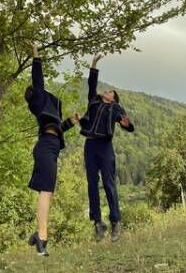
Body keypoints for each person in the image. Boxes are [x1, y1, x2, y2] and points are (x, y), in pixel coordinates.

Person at [25, 43, 80, 256]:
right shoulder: (38, 100)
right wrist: (35, 54)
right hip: (46, 147)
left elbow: (58, 128)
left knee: (48, 193)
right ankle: (42, 239)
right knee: (46, 192)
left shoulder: (48, 111)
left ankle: (37, 234)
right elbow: (38, 79)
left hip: (52, 146)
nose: (39, 90)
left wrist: (71, 121)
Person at [79, 54, 134, 242]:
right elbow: (91, 83)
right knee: (92, 185)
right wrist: (93, 63)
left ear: (113, 98)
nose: (107, 91)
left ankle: (116, 222)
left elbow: (127, 124)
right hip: (90, 146)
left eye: (110, 91)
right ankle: (98, 223)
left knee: (109, 185)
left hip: (105, 147)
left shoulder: (115, 107)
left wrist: (126, 124)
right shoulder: (93, 101)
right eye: (107, 90)